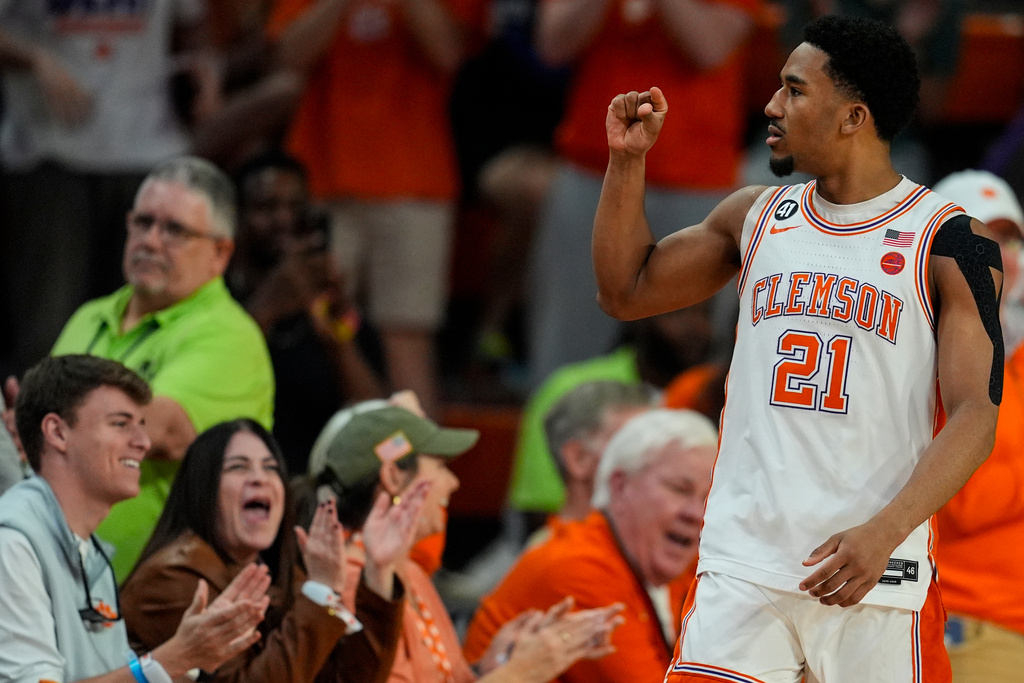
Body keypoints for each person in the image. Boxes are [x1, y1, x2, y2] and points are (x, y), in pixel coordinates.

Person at [592, 15, 1003, 683]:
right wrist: (626, 161)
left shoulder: (950, 241)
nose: (771, 106)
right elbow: (625, 289)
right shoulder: (755, 215)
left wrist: (885, 531)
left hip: (878, 577)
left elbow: (975, 416)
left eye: (794, 90)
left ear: (853, 117)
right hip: (745, 567)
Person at [42, 155, 275, 581]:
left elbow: (155, 430)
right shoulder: (90, 315)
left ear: (220, 253)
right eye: (143, 222)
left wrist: (40, 423)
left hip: (158, 603)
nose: (151, 241)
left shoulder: (229, 336)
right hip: (57, 577)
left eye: (174, 231)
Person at [264, 0, 489, 417]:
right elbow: (289, 58)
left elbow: (448, 52)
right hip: (321, 177)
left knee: (407, 341)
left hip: (414, 181)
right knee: (310, 332)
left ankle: (421, 477)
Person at [525, 0, 760, 388]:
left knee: (689, 358)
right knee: (567, 347)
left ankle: (693, 448)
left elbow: (709, 48)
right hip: (591, 169)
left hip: (698, 179)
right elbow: (553, 44)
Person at [307, 400, 626, 682]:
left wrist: (491, 666)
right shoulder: (349, 579)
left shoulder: (408, 570)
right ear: (393, 477)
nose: (453, 482)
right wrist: (523, 672)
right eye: (441, 466)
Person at [0, 355, 269, 683]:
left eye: (141, 425)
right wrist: (172, 658)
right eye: (120, 424)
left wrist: (192, 658)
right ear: (57, 432)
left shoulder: (90, 549)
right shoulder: (12, 544)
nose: (143, 443)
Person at [0, 0, 215, 374]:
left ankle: (130, 428)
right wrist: (35, 57)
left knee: (142, 321)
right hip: (50, 154)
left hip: (148, 151)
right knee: (50, 327)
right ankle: (38, 425)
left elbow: (190, 29)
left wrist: (205, 70)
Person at [120, 418, 420, 683]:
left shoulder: (274, 570)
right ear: (203, 488)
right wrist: (320, 594)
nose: (260, 477)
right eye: (238, 467)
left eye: (271, 467)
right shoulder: (172, 579)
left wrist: (379, 570)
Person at [464, 409, 716, 683]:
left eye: (709, 496)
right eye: (679, 489)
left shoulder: (674, 562)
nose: (697, 512)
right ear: (620, 486)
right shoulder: (577, 567)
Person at [228, 150, 384, 472]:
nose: (283, 219)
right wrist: (269, 306)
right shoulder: (217, 301)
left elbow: (374, 416)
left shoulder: (327, 302)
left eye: (296, 207)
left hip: (313, 486)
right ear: (237, 218)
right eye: (266, 207)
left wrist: (332, 324)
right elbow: (208, 377)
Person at [930, 169, 1024, 682]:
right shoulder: (927, 355)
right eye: (987, 237)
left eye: (1011, 237)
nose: (1005, 254)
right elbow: (965, 498)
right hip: (967, 620)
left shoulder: (1018, 358)